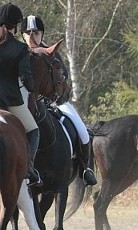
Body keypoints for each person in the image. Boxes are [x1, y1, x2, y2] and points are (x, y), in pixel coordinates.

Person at [20, 14, 97, 186]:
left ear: (42, 34)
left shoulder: (51, 52)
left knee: (82, 130)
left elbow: (64, 75)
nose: (32, 36)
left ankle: (85, 168)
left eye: (36, 32)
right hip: (23, 103)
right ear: (22, 35)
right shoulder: (18, 53)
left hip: (53, 102)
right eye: (28, 32)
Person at [0, 3, 42, 187]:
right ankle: (28, 167)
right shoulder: (20, 48)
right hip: (9, 100)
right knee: (33, 130)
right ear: (16, 25)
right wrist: (33, 86)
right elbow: (25, 77)